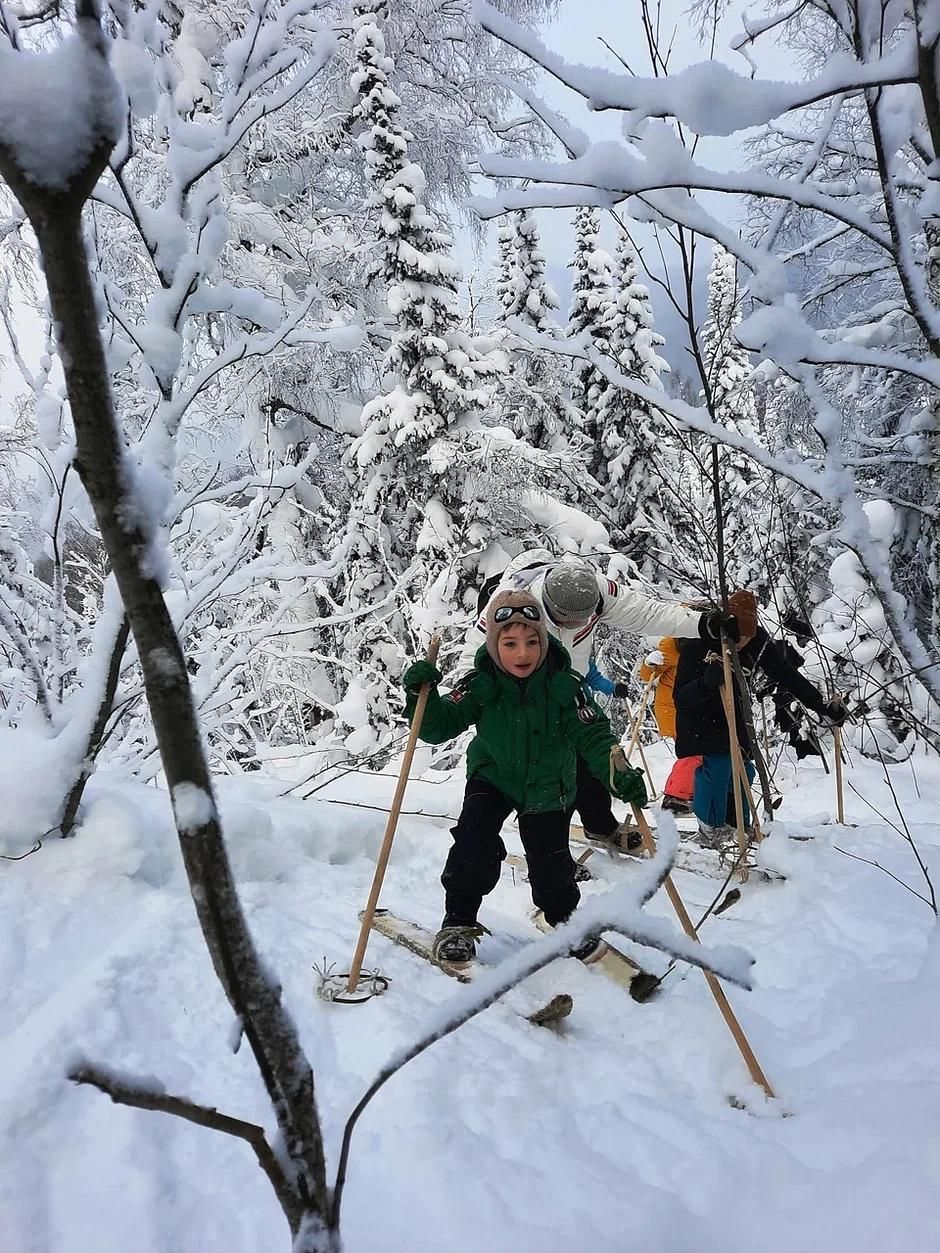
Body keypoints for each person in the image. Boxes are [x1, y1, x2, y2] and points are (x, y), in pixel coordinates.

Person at [403, 589, 648, 965]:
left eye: (532, 641)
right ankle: (458, 922)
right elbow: (436, 728)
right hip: (494, 778)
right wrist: (422, 694)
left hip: (551, 786)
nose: (523, 653)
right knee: (473, 844)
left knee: (552, 868)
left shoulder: (565, 686)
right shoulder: (480, 684)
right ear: (494, 644)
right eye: (511, 643)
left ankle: (566, 921)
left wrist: (616, 771)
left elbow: (594, 734)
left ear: (544, 641)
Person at [456, 551, 747, 850]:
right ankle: (553, 858)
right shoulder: (513, 603)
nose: (577, 625)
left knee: (593, 761)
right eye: (567, 622)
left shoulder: (594, 590)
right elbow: (473, 650)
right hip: (524, 699)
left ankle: (599, 826)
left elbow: (646, 612)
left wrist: (702, 625)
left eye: (583, 620)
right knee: (553, 774)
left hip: (569, 690)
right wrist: (466, 687)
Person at [672, 591, 846, 846]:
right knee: (719, 765)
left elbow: (786, 675)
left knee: (745, 769)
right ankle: (710, 826)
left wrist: (822, 707)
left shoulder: (756, 641)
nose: (742, 643)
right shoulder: (699, 642)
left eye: (748, 637)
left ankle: (736, 824)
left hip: (735, 713)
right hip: (700, 716)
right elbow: (681, 697)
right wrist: (707, 682)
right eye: (738, 637)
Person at [638, 638, 699, 816]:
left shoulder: (704, 643)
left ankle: (684, 794)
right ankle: (676, 797)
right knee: (693, 753)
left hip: (692, 708)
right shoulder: (671, 646)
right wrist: (649, 664)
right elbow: (647, 675)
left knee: (696, 752)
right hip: (673, 708)